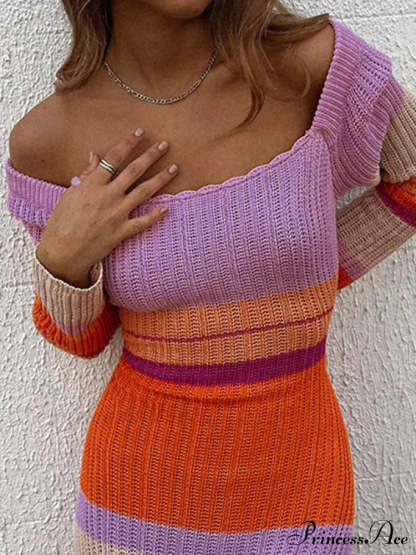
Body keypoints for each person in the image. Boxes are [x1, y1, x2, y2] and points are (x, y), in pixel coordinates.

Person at [5, 1, 416, 553]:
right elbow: (83, 338)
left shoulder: (311, 66)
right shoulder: (49, 137)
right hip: (132, 510)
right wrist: (61, 259)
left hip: (304, 496)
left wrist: (303, 277)